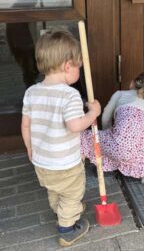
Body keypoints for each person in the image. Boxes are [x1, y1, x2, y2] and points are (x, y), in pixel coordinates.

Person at [21, 30, 101, 247]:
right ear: (68, 66)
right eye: (78, 67)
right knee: (73, 192)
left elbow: (26, 124)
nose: (79, 71)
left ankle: (60, 209)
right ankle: (67, 228)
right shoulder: (69, 95)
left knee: (54, 189)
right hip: (65, 162)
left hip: (41, 160)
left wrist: (29, 147)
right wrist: (93, 114)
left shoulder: (32, 92)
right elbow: (75, 126)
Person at [81, 72, 144, 183]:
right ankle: (143, 170)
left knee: (84, 136)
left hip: (119, 148)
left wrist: (107, 134)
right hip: (140, 154)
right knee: (126, 147)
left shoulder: (119, 94)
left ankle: (81, 167)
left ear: (132, 83)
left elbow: (105, 118)